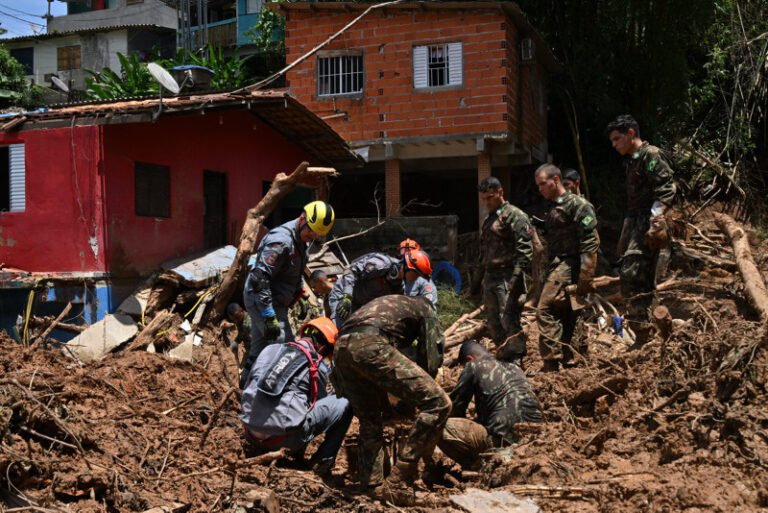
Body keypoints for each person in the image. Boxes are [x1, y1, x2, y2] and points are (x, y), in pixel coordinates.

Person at [332, 295, 449, 505]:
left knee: (370, 420)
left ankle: (372, 485)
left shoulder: (392, 304)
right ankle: (398, 481)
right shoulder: (426, 310)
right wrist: (414, 397)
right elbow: (430, 359)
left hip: (341, 349)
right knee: (438, 403)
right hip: (370, 344)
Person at [240, 317, 352, 476]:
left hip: (250, 433)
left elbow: (249, 383)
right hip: (283, 442)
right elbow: (314, 407)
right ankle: (322, 462)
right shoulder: (317, 366)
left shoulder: (270, 350)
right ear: (322, 347)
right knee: (345, 403)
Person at [241, 201, 335, 385]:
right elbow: (259, 278)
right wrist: (268, 314)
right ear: (302, 219)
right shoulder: (280, 241)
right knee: (286, 349)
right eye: (311, 231)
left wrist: (299, 293)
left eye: (317, 234)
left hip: (277, 300)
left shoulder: (302, 238)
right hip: (262, 300)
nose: (313, 236)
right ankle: (277, 394)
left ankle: (245, 386)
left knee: (259, 347)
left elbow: (294, 269)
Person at [607, 115, 676, 344]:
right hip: (636, 222)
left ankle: (644, 332)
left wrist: (656, 223)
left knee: (631, 273)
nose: (614, 145)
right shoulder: (632, 160)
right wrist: (625, 233)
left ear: (631, 134)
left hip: (649, 224)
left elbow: (666, 189)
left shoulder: (651, 155)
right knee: (641, 277)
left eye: (617, 139)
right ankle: (650, 331)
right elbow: (633, 202)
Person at [535, 164, 600, 371]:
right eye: (538, 186)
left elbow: (590, 240)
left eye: (543, 184)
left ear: (555, 180)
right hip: (557, 264)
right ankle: (570, 360)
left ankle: (551, 362)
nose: (540, 189)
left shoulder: (578, 205)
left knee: (544, 309)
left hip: (569, 264)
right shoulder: (555, 206)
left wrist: (586, 276)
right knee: (568, 313)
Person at [439, 340, 543, 468]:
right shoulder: (515, 368)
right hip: (535, 438)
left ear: (469, 358)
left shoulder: (473, 365)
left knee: (439, 426)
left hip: (501, 439)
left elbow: (454, 408)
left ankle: (478, 466)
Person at [472, 176, 533, 366]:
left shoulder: (515, 216)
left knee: (509, 318)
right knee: (492, 320)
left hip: (508, 275)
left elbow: (525, 251)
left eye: (490, 197)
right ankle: (503, 352)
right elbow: (483, 254)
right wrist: (476, 282)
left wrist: (515, 278)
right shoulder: (488, 221)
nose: (487, 202)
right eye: (483, 199)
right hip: (491, 276)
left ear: (500, 192)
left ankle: (517, 357)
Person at [328, 249, 432, 327]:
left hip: (360, 307)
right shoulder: (381, 264)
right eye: (416, 275)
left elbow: (395, 310)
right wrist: (347, 296)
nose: (416, 279)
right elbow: (351, 271)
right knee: (339, 332)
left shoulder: (398, 287)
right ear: (408, 268)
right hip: (343, 296)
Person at [398, 239, 438, 310]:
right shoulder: (403, 274)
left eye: (408, 251)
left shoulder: (422, 281)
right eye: (403, 251)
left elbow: (429, 310)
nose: (404, 255)